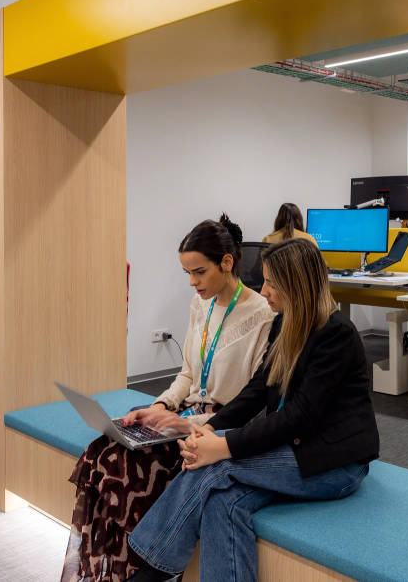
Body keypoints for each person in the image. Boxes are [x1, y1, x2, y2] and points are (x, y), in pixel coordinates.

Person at [125, 238, 380, 582]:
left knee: (213, 470)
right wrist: (211, 429)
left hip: (334, 464)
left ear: (297, 285)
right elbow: (258, 391)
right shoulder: (284, 324)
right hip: (296, 450)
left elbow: (298, 416)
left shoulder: (338, 335)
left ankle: (153, 573)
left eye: (272, 282)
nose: (264, 290)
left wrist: (223, 447)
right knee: (222, 502)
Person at [62, 215, 276, 582]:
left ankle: (147, 570)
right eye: (187, 274)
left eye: (199, 272)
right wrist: (161, 406)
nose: (193, 283)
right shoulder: (200, 306)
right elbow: (188, 374)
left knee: (126, 469)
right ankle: (108, 572)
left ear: (227, 263)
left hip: (222, 425)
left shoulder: (262, 314)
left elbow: (252, 401)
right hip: (187, 413)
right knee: (104, 451)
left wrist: (189, 423)